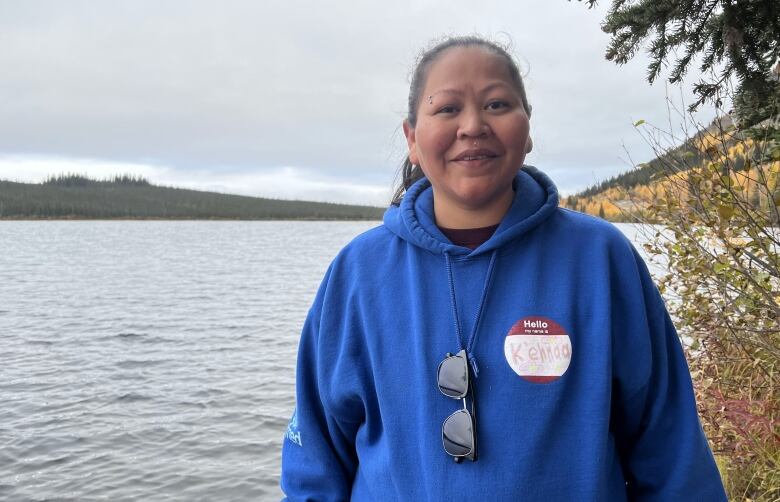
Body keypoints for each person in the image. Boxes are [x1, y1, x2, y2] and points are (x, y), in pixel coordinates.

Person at [280, 35, 727, 501]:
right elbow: (316, 458)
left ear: (527, 128)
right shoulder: (359, 272)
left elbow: (671, 451)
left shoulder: (600, 259)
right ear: (413, 138)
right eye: (447, 109)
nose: (473, 126)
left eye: (496, 104)